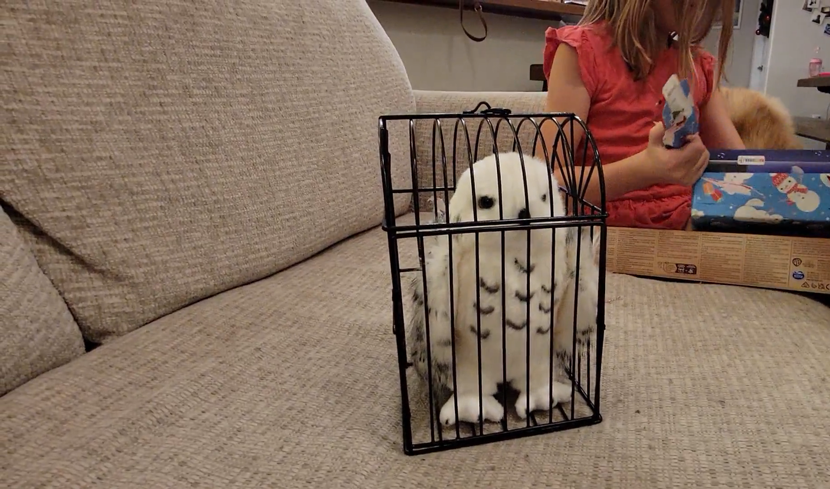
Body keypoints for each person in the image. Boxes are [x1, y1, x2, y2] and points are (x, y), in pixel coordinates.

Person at [538, 0, 746, 230]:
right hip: (602, 233)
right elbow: (540, 185)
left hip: (686, 226)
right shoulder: (583, 52)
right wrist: (645, 169)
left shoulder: (696, 65)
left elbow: (743, 168)